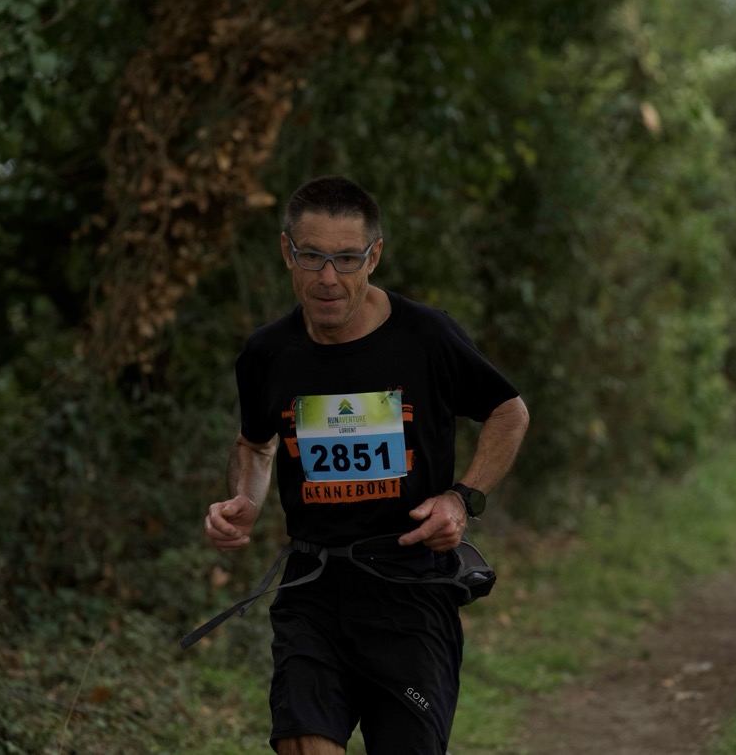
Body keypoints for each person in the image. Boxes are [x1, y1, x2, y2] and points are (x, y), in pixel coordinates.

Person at [203, 175, 529, 755]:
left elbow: (509, 412)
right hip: (313, 586)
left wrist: (462, 498)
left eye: (347, 258)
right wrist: (245, 501)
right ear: (287, 252)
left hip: (409, 591)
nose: (328, 277)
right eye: (312, 256)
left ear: (373, 257)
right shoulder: (267, 353)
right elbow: (255, 444)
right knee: (303, 742)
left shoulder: (426, 336)